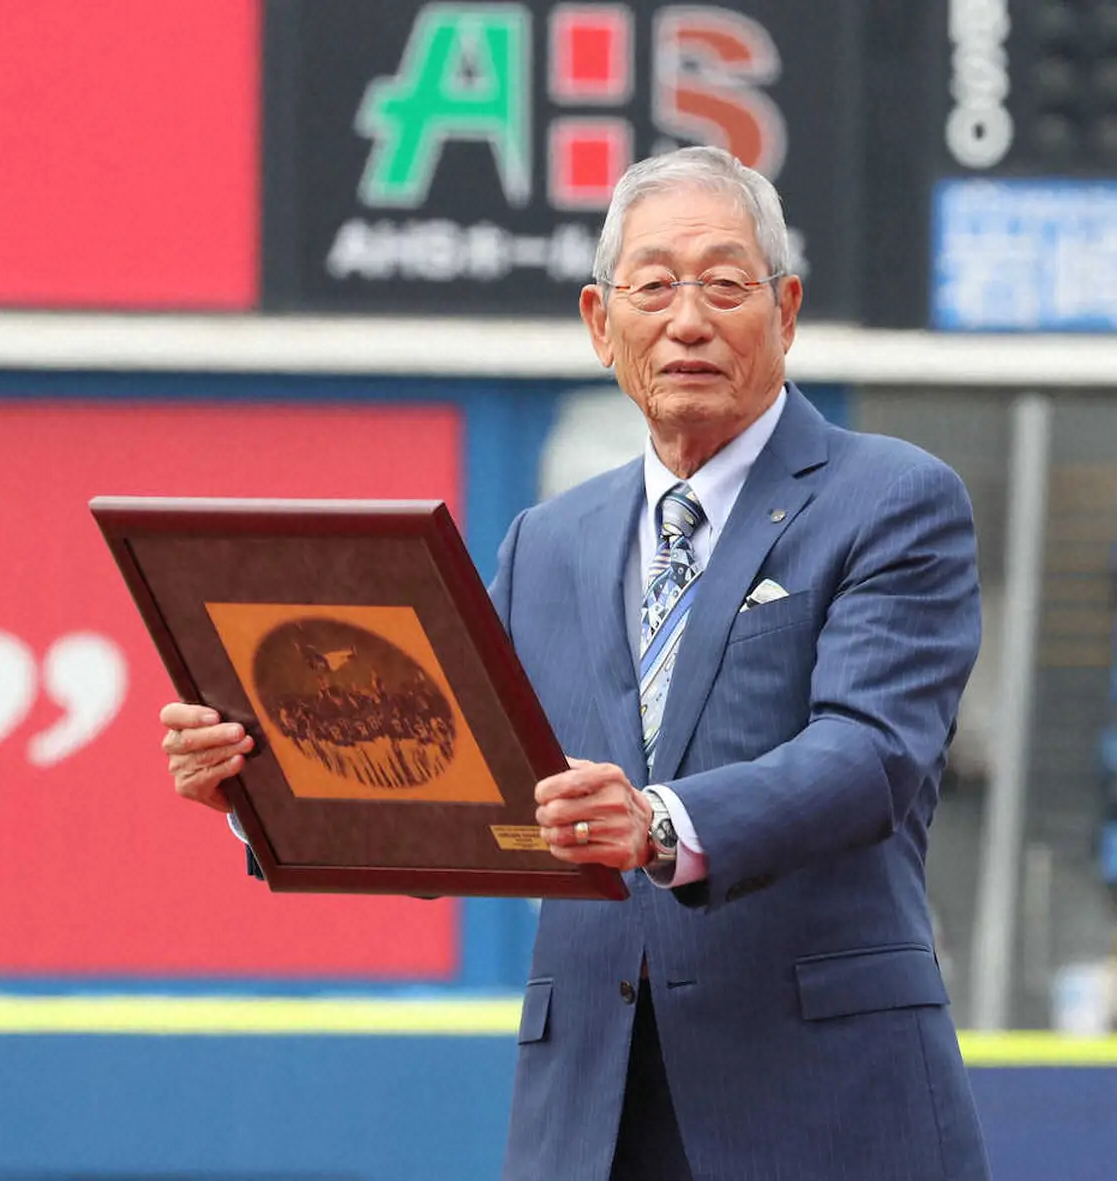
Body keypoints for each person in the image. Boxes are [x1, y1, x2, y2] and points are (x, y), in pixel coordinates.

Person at [160, 146, 991, 1180]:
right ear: (601, 322)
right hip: (590, 1110)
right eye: (653, 286)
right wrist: (261, 791)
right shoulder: (549, 539)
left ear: (785, 308)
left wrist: (658, 822)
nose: (688, 319)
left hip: (824, 1103)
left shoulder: (894, 498)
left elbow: (869, 756)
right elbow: (455, 784)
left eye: (725, 283)